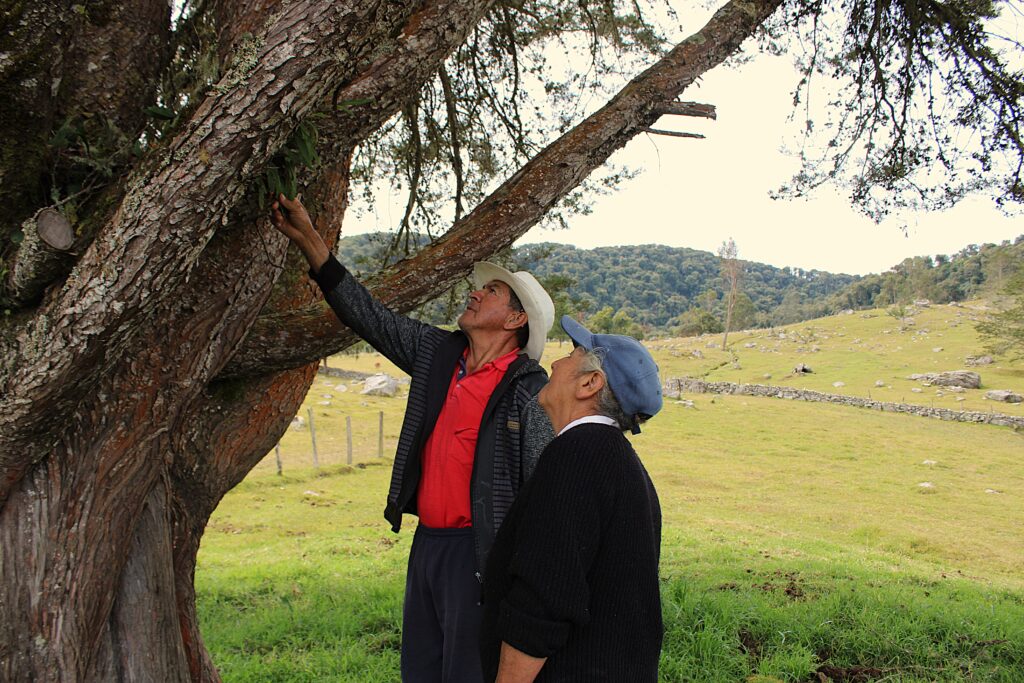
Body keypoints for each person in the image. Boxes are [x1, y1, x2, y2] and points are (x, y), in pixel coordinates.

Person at [269, 194, 556, 682]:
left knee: (465, 673)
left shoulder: (528, 391)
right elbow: (370, 316)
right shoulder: (439, 355)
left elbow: (546, 495)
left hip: (479, 555)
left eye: (490, 291)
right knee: (420, 669)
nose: (475, 293)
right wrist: (310, 241)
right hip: (428, 545)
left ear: (515, 320)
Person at [479, 315, 664, 683]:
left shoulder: (575, 456)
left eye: (572, 352)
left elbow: (544, 597)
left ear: (590, 383)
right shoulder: (620, 460)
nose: (554, 363)